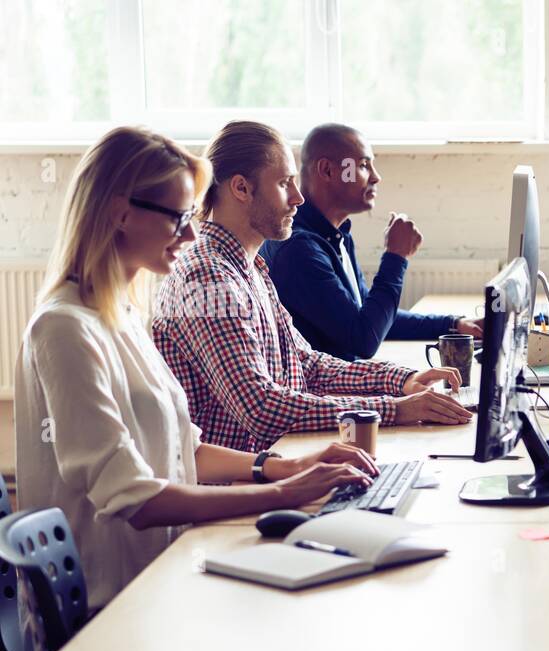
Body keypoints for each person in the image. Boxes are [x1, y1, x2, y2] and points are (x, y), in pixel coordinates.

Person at [16, 127, 378, 612]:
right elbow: (136, 500)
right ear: (121, 214)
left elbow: (184, 446)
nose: (190, 234)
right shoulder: (63, 329)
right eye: (178, 218)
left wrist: (287, 466)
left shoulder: (120, 314)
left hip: (167, 573)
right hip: (115, 607)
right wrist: (283, 492)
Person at [152, 120, 472, 453]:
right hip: (233, 487)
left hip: (280, 460)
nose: (298, 198)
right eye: (284, 183)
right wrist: (394, 410)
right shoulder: (209, 279)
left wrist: (401, 380)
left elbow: (308, 366)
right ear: (241, 189)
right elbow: (262, 408)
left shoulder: (252, 267)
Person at [260, 122, 481, 361]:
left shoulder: (337, 235)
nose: (376, 177)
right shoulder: (299, 250)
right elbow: (364, 339)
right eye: (364, 165)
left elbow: (372, 317)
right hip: (326, 392)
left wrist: (454, 325)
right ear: (327, 171)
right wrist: (396, 257)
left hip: (349, 379)